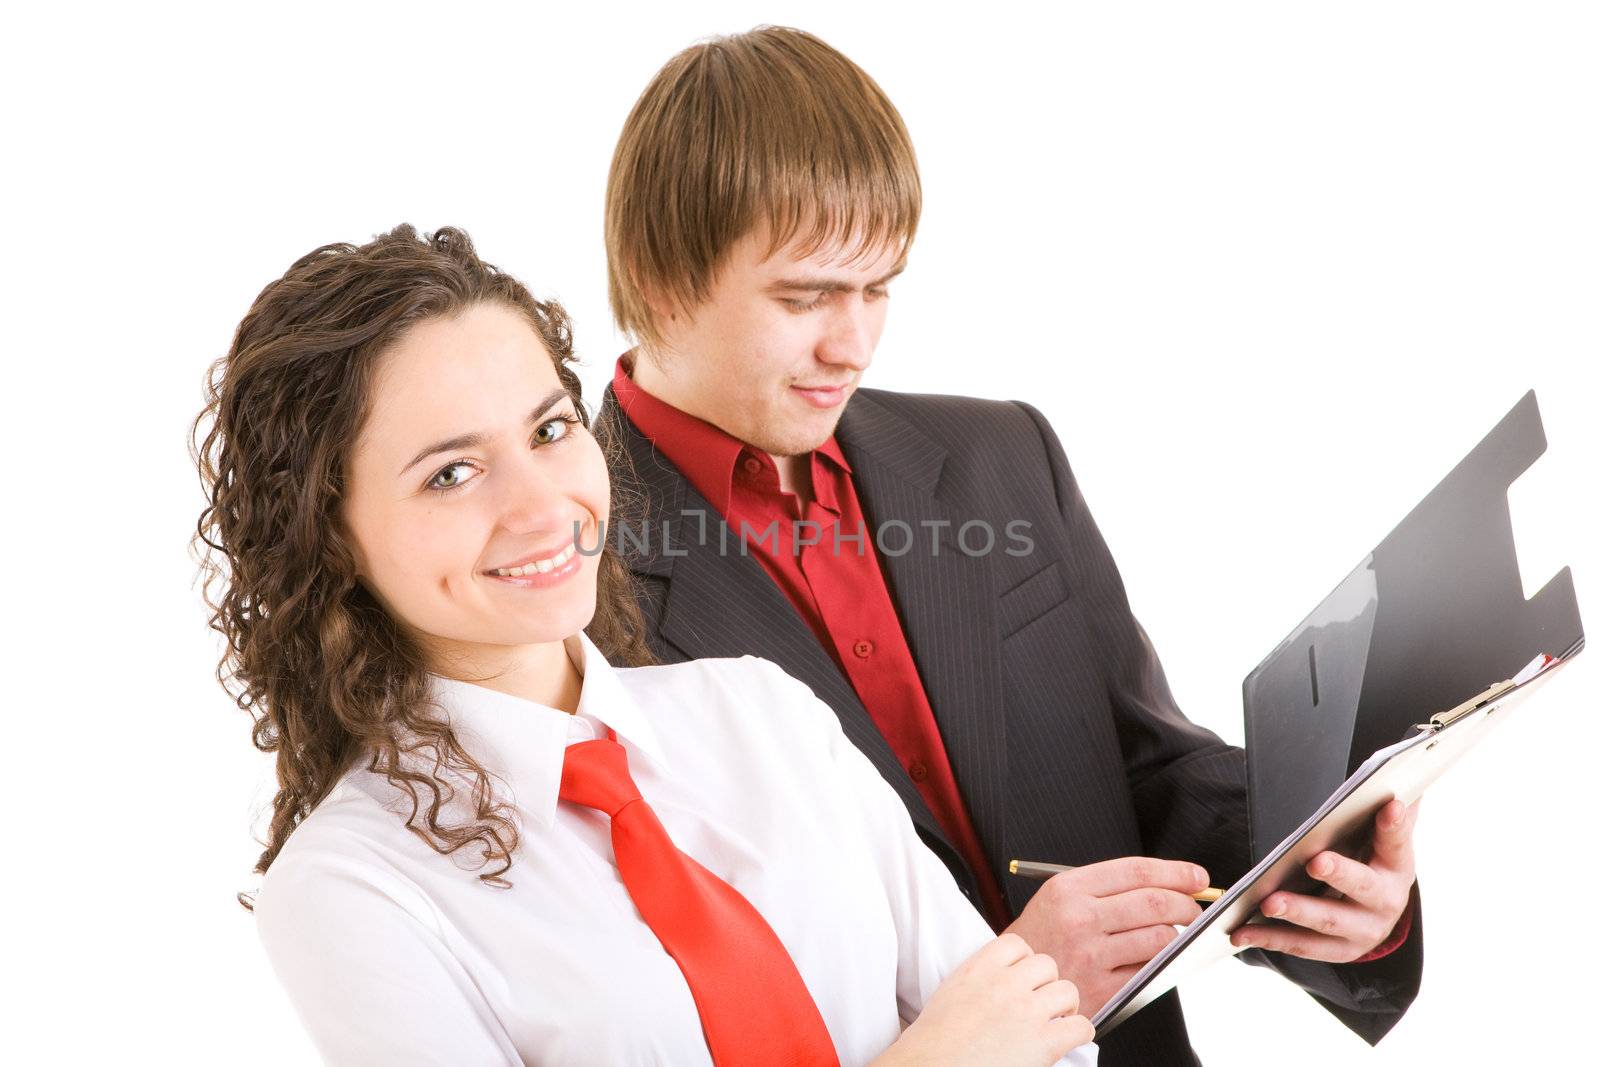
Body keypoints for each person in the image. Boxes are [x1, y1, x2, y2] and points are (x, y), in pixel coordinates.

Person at [595, 26, 1424, 1066]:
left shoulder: (996, 452)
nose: (850, 342)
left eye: (879, 287)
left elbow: (1146, 766)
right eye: (804, 297)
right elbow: (652, 996)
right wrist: (999, 994)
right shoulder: (562, 578)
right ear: (663, 280)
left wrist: (1329, 873)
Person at [191, 223, 1099, 1067]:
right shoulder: (351, 889)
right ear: (331, 535)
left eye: (550, 430)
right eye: (451, 473)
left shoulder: (761, 710)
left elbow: (1042, 1036)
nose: (544, 505)